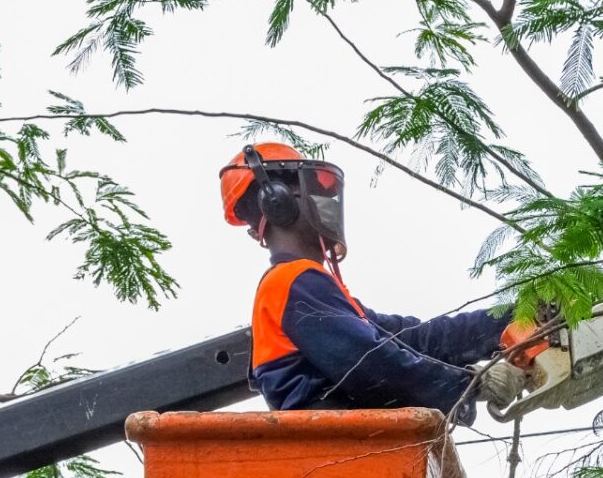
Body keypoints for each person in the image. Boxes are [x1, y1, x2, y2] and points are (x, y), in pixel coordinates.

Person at [219, 142, 526, 425]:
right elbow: (376, 366)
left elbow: (415, 340)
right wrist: (471, 384)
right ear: (277, 202)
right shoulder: (290, 283)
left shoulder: (315, 292)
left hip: (349, 454)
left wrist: (512, 317)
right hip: (336, 456)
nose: (324, 204)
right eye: (312, 192)